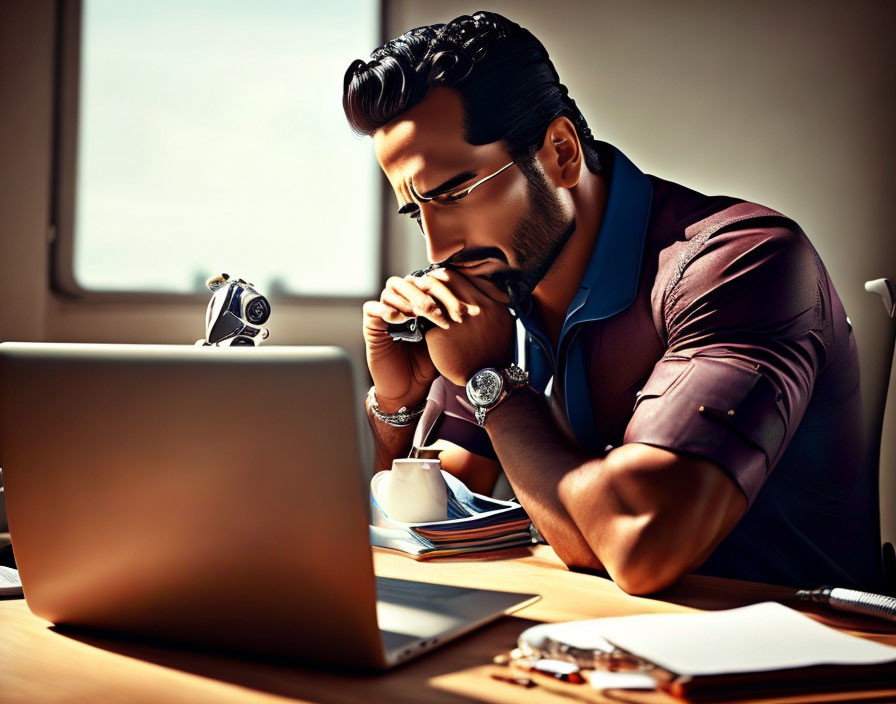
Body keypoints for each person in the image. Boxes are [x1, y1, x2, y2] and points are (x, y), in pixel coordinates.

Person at [342, 11, 881, 594]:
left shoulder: (743, 262)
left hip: (796, 658)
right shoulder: (496, 283)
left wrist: (490, 380)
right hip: (598, 643)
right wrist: (396, 407)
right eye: (416, 209)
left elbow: (640, 543)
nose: (438, 247)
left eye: (454, 194)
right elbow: (427, 523)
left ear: (561, 152)